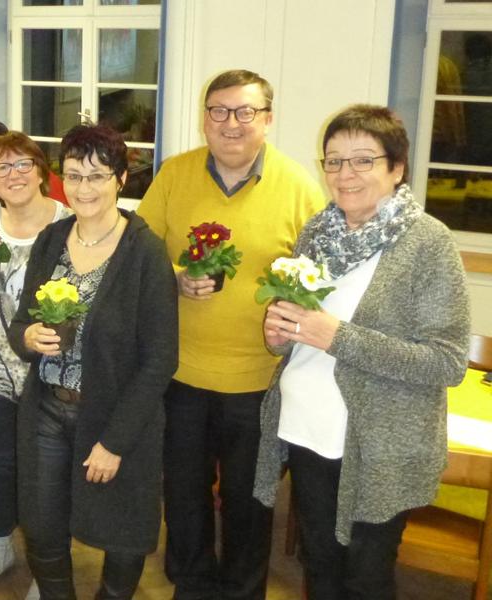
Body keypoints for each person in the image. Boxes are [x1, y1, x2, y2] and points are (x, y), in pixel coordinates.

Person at [253, 105, 471, 600]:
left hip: (378, 446)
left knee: (365, 578)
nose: (345, 174)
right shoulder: (318, 232)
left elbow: (446, 361)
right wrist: (278, 333)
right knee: (321, 568)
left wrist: (339, 337)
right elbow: (299, 332)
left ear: (396, 168)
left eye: (363, 160)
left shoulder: (428, 243)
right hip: (308, 429)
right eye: (333, 161)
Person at [136, 69, 325, 600]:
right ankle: (191, 586)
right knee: (185, 494)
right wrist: (174, 278)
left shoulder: (299, 188)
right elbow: (139, 257)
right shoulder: (174, 175)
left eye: (245, 111)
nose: (231, 123)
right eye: (218, 110)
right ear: (204, 119)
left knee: (251, 498)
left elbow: (320, 279)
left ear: (267, 119)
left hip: (260, 381)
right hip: (182, 373)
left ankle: (242, 592)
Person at [9, 124, 179, 599]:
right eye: (73, 176)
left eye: (97, 176)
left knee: (121, 528)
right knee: (42, 527)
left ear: (122, 179)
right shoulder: (51, 240)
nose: (84, 188)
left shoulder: (145, 252)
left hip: (114, 414)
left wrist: (115, 441)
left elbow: (161, 358)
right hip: (46, 409)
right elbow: (21, 321)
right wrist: (28, 336)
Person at [0, 132, 71, 595]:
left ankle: (48, 570)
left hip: (49, 376)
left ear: (42, 170)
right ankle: (0, 549)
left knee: (47, 474)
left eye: (23, 164)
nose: (14, 175)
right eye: (2, 168)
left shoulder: (67, 224)